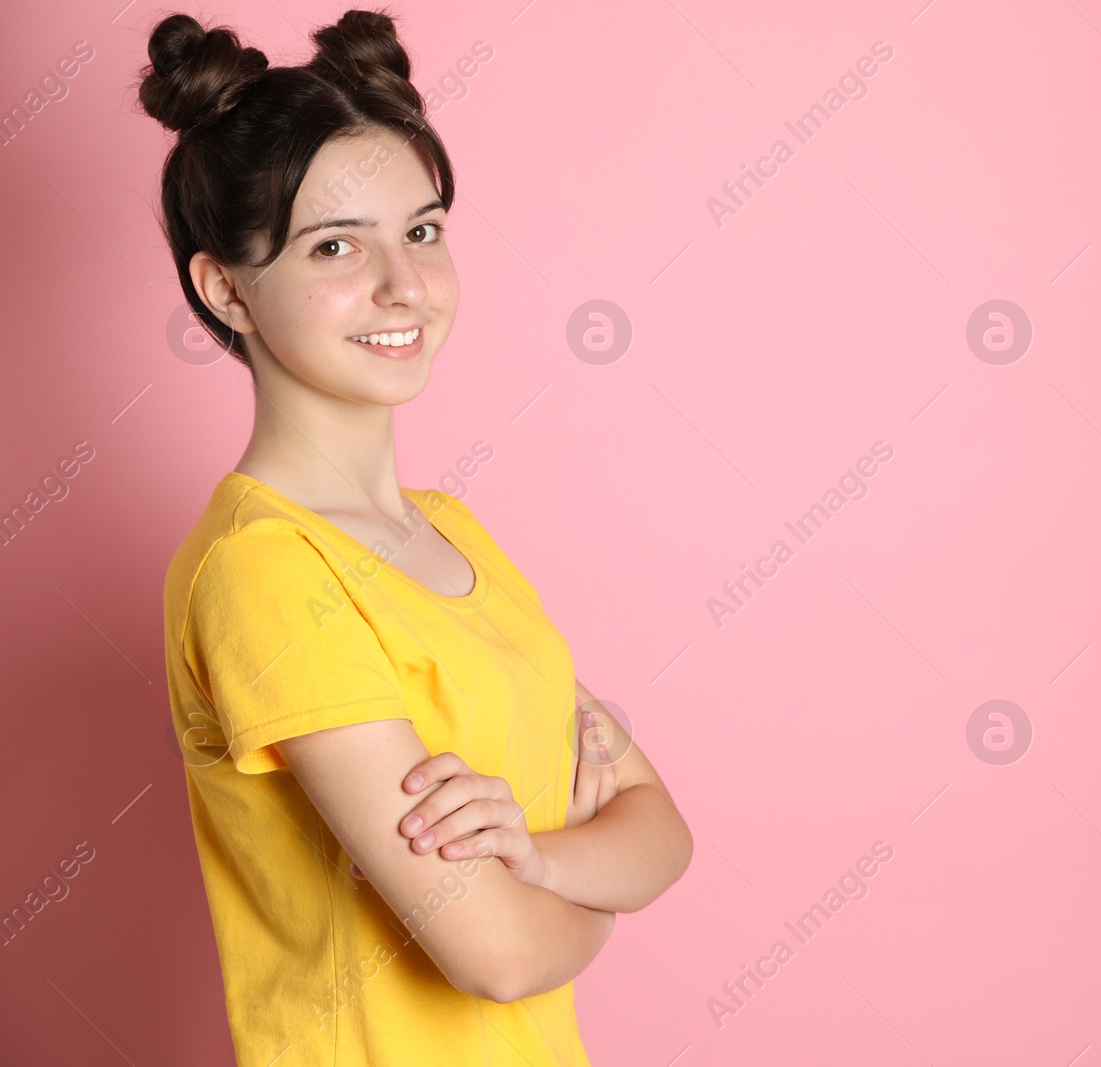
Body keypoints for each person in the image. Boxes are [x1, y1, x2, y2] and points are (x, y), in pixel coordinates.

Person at [142, 8, 693, 1064]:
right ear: (225, 290)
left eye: (423, 229)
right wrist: (580, 880)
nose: (404, 285)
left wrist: (525, 855)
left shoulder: (450, 531)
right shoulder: (262, 570)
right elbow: (494, 953)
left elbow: (663, 835)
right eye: (336, 244)